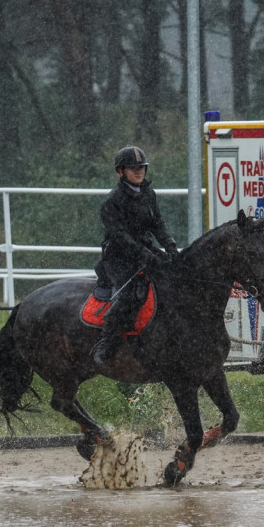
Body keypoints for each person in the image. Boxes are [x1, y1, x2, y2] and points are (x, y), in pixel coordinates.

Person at [92, 145, 180, 365]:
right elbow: (120, 236)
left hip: (145, 252)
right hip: (118, 258)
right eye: (133, 168)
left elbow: (158, 224)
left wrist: (170, 247)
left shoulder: (149, 194)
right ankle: (106, 343)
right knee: (127, 295)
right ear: (121, 171)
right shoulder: (111, 202)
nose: (139, 171)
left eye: (141, 167)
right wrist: (144, 254)